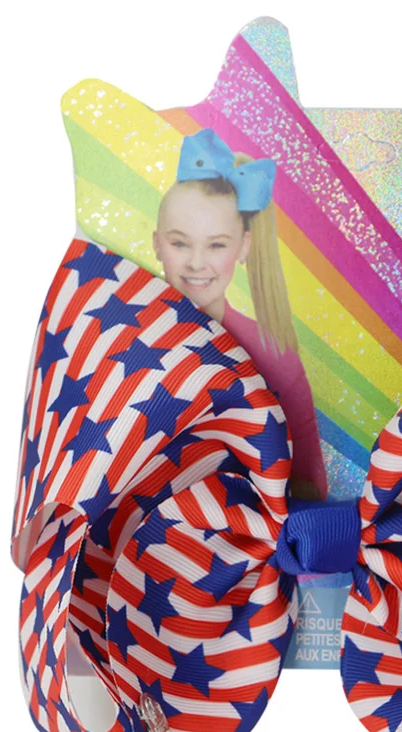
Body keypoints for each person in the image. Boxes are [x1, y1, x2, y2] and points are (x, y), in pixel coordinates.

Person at [152, 128, 328, 501]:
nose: (196, 263)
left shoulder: (276, 358)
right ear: (156, 244)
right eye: (180, 243)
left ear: (244, 247)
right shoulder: (120, 334)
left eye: (216, 245)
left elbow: (309, 484)